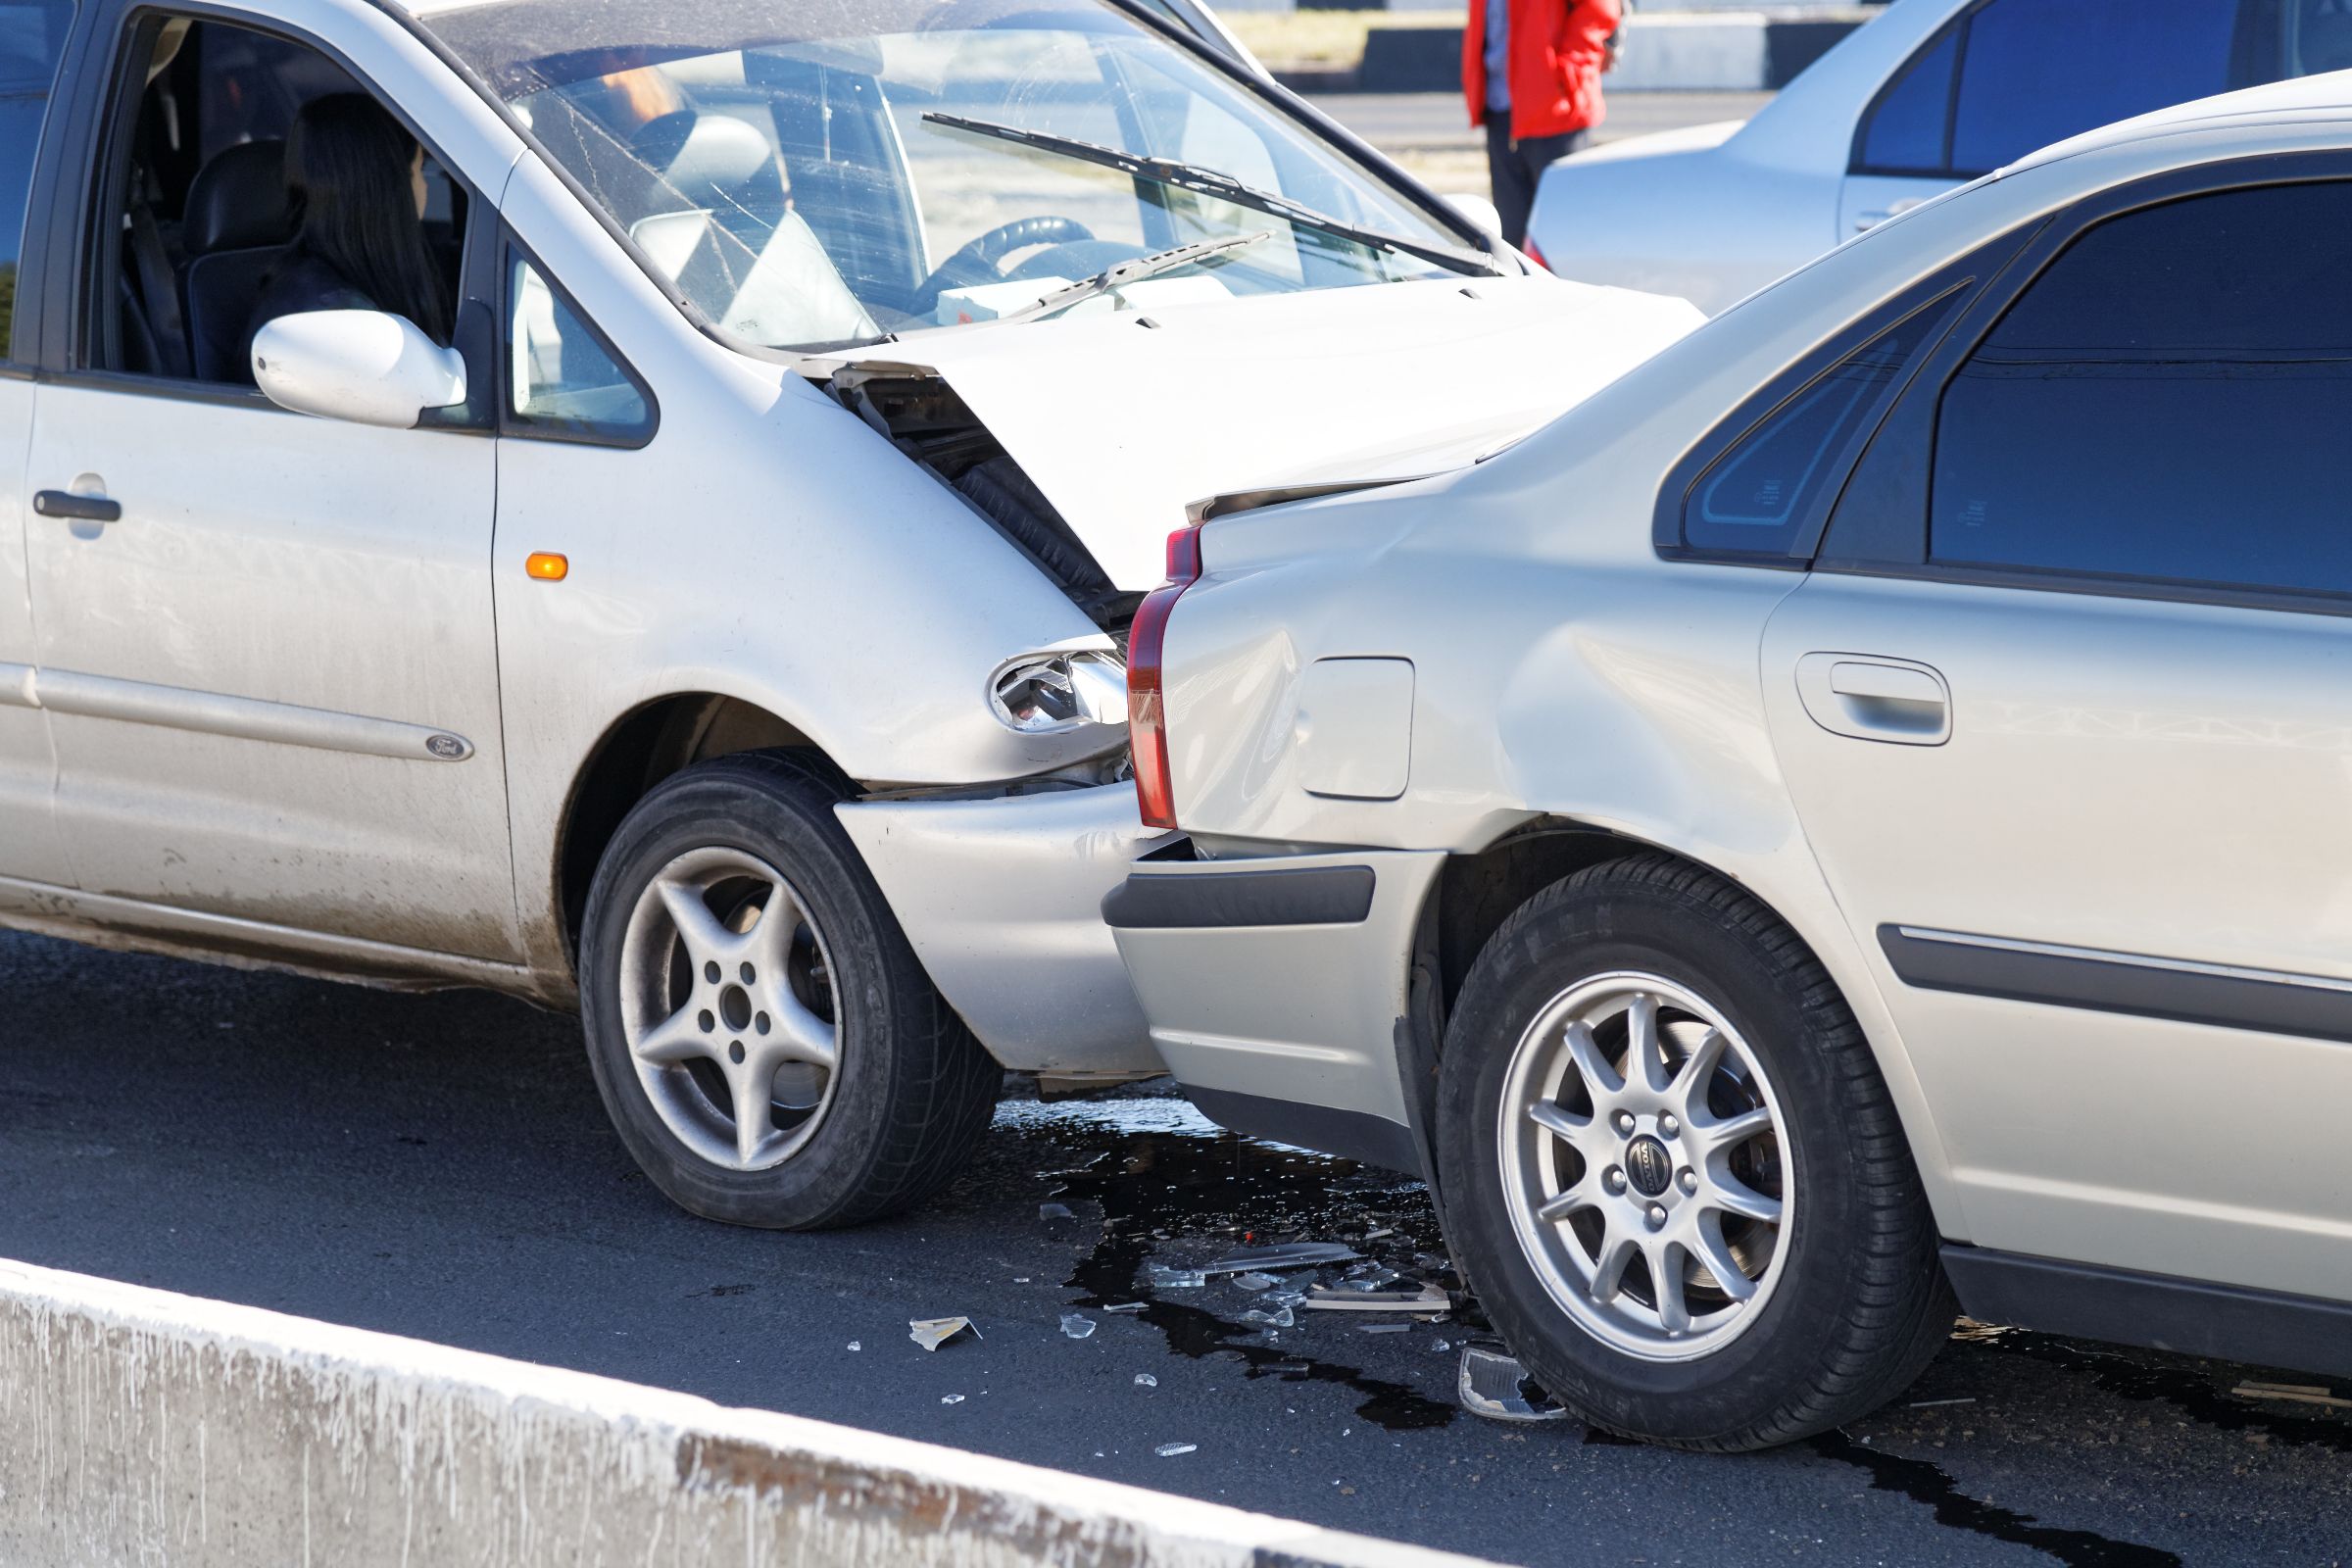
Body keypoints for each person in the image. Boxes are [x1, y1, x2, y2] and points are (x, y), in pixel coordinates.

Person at [247, 93, 452, 357]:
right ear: (390, 185)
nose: (425, 186)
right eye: (419, 170)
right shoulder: (330, 315)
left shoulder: (329, 287)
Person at [1463, 0, 1622, 251]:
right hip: (1500, 110)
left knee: (1565, 239)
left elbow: (1599, 8)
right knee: (1511, 242)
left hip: (1556, 114)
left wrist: (1569, 69)